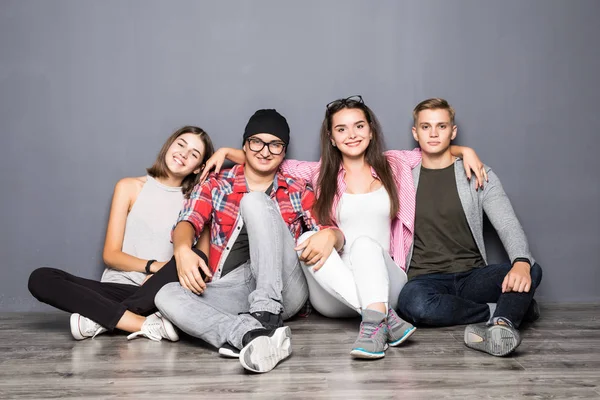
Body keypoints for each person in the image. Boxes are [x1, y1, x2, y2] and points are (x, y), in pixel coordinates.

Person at [201, 95, 486, 359]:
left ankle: (376, 319)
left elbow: (434, 149)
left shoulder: (396, 164)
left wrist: (465, 150)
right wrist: (228, 151)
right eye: (341, 129)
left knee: (363, 244)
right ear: (332, 138)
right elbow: (270, 160)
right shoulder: (320, 173)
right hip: (334, 291)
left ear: (371, 131)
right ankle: (382, 321)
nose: (351, 135)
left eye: (359, 126)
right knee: (311, 236)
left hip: (387, 284)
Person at [155, 109, 344, 373]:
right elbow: (189, 219)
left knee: (254, 200)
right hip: (236, 288)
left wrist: (332, 235)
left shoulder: (297, 188)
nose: (265, 151)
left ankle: (267, 314)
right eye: (257, 142)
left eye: (275, 145)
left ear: (283, 151)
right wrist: (183, 249)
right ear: (245, 145)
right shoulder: (217, 183)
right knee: (165, 295)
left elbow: (330, 231)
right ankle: (250, 336)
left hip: (285, 289)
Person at [28, 126, 214, 341]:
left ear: (198, 168)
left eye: (194, 154)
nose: (183, 153)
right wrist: (155, 267)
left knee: (197, 259)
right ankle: (142, 323)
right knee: (41, 278)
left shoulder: (199, 203)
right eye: (181, 144)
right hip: (117, 288)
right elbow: (111, 255)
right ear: (169, 146)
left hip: (161, 294)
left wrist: (161, 278)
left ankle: (101, 319)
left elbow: (202, 264)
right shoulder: (129, 187)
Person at [396, 98, 543, 356]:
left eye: (441, 126)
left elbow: (507, 223)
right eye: (425, 126)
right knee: (413, 304)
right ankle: (508, 309)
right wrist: (463, 149)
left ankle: (501, 325)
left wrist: (520, 260)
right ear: (415, 133)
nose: (433, 133)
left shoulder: (478, 172)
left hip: (473, 276)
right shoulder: (402, 175)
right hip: (424, 280)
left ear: (452, 131)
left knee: (531, 268)